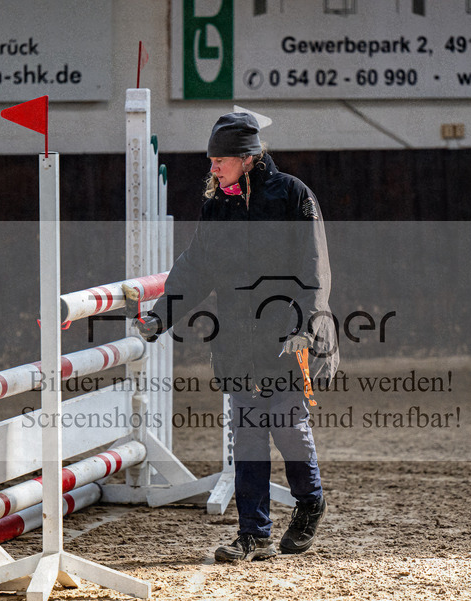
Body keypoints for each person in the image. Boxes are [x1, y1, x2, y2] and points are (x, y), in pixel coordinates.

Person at [128, 112, 338, 562]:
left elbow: (313, 267)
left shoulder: (294, 195)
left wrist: (306, 326)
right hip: (238, 340)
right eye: (211, 160)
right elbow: (194, 268)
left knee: (288, 430)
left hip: (288, 334)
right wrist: (161, 316)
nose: (213, 168)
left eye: (220, 160)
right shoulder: (216, 206)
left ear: (247, 158)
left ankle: (310, 501)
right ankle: (254, 534)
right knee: (247, 436)